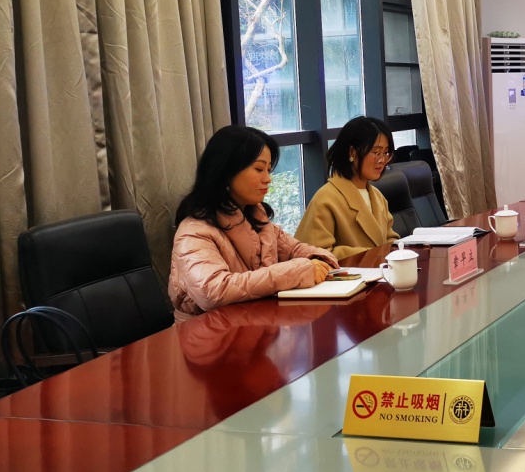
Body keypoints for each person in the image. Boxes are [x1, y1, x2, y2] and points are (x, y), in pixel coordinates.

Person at [169, 126, 338, 320]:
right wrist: (297, 272)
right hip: (205, 333)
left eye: (269, 170)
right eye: (259, 169)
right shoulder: (193, 231)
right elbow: (213, 291)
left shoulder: (257, 217)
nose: (268, 179)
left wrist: (320, 261)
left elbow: (296, 249)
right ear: (226, 171)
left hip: (253, 323)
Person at [294, 116, 400, 258]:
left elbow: (390, 238)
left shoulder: (377, 196)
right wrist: (371, 254)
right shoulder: (325, 199)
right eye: (376, 153)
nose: (382, 160)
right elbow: (317, 255)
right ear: (352, 152)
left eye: (386, 153)